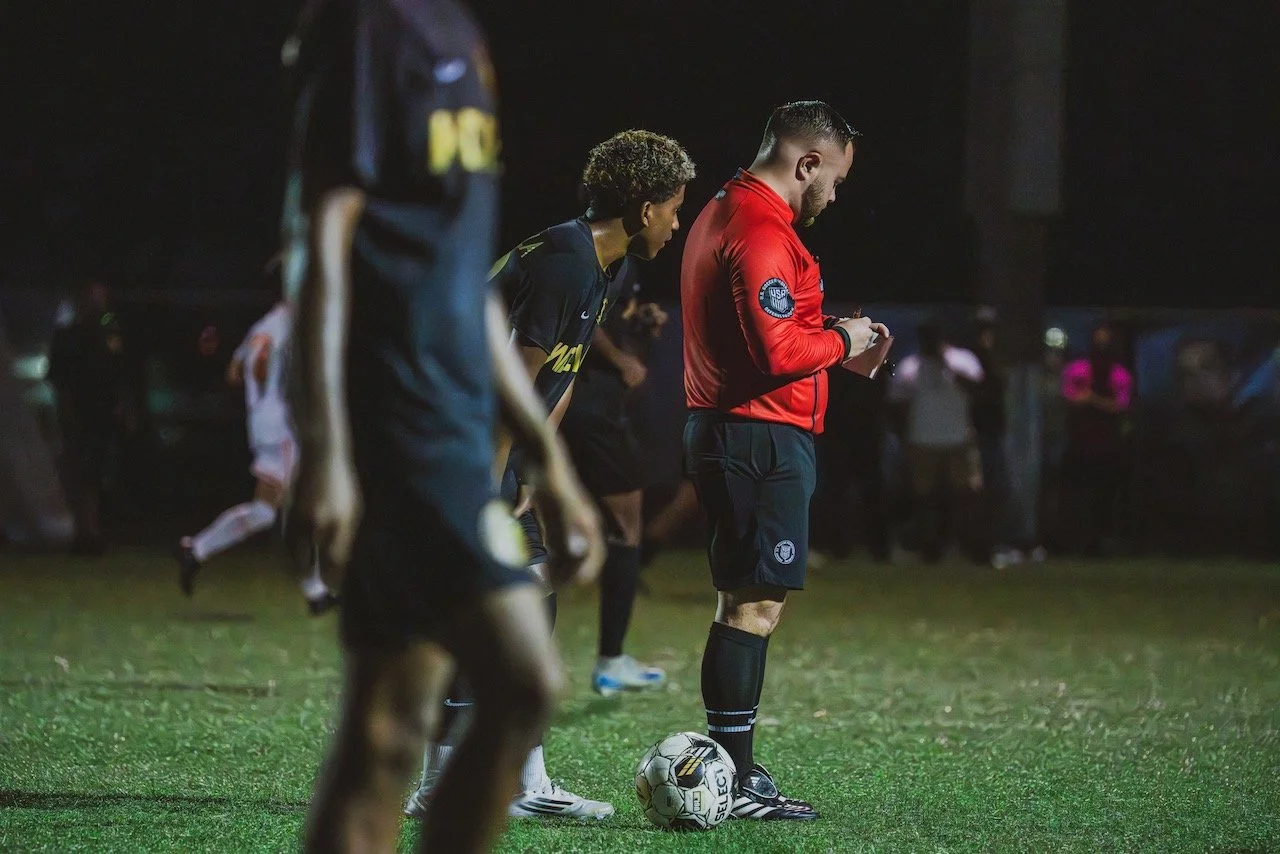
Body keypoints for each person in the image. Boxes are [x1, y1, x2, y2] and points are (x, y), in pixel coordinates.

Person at [282, 2, 605, 852]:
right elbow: (321, 241)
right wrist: (325, 450)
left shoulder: (456, 35)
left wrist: (546, 456)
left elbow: (463, 284)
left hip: (451, 423)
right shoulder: (372, 27)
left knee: (385, 735)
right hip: (397, 424)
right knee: (521, 678)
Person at [406, 128, 696, 820]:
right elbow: (512, 380)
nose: (679, 222)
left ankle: (517, 784)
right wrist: (488, 490)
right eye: (676, 207)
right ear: (642, 205)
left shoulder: (598, 262)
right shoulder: (568, 262)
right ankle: (449, 783)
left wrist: (536, 465)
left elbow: (559, 377)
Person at [681, 100, 885, 820]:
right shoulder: (763, 229)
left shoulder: (724, 209)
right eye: (836, 177)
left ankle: (729, 772)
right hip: (758, 435)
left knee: (741, 602)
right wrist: (847, 341)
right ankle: (733, 783)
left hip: (733, 429)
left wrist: (823, 332)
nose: (837, 192)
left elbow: (763, 333)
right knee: (754, 607)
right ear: (807, 164)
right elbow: (775, 354)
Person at [174, 301, 337, 614]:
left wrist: (260, 393)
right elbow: (260, 360)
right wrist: (274, 391)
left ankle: (196, 550)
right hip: (281, 427)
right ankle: (315, 592)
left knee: (265, 512)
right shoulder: (289, 324)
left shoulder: (262, 324)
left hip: (262, 423)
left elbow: (233, 373)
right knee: (300, 507)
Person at [560, 285, 671, 695]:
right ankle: (610, 662)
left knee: (558, 530)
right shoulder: (605, 255)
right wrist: (621, 358)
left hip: (585, 411)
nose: (674, 224)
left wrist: (640, 327)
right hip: (591, 414)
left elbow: (608, 317)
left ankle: (609, 659)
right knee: (625, 527)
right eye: (672, 214)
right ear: (644, 213)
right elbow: (586, 315)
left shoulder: (620, 264)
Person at [888, 322, 985, 562]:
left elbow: (979, 391)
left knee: (964, 495)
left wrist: (946, 365)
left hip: (958, 440)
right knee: (924, 497)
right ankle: (929, 547)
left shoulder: (963, 360)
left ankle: (965, 546)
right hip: (922, 441)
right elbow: (896, 404)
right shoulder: (909, 366)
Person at [47, 282, 132, 555]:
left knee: (98, 473)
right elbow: (60, 378)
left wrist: (123, 405)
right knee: (81, 473)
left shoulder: (109, 335)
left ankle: (93, 531)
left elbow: (118, 374)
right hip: (81, 414)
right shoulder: (69, 337)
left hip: (103, 415)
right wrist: (66, 409)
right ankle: (84, 531)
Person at [1060, 324, 1133, 554]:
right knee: (1079, 497)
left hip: (1108, 447)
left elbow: (1120, 406)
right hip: (1080, 445)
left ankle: (1103, 543)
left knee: (1106, 498)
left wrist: (1092, 399)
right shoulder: (1077, 369)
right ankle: (1078, 542)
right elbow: (1070, 399)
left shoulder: (1119, 374)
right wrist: (1096, 402)